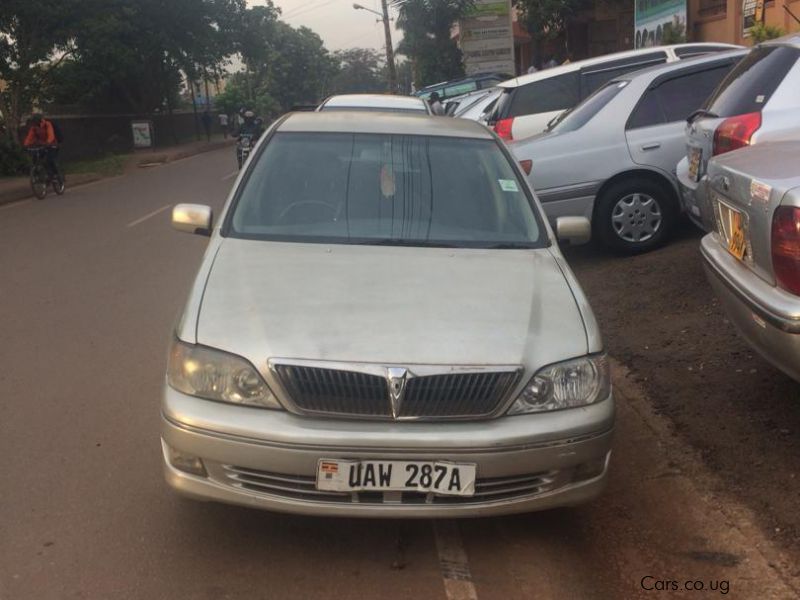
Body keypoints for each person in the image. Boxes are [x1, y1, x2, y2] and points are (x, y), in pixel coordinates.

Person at [23, 113, 62, 183]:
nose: (33, 123)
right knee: (36, 158)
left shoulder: (47, 124)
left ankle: (56, 175)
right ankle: (40, 175)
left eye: (34, 121)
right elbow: (29, 137)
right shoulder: (34, 128)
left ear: (39, 120)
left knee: (50, 159)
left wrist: (48, 142)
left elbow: (51, 135)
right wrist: (26, 145)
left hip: (52, 144)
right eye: (33, 121)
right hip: (42, 145)